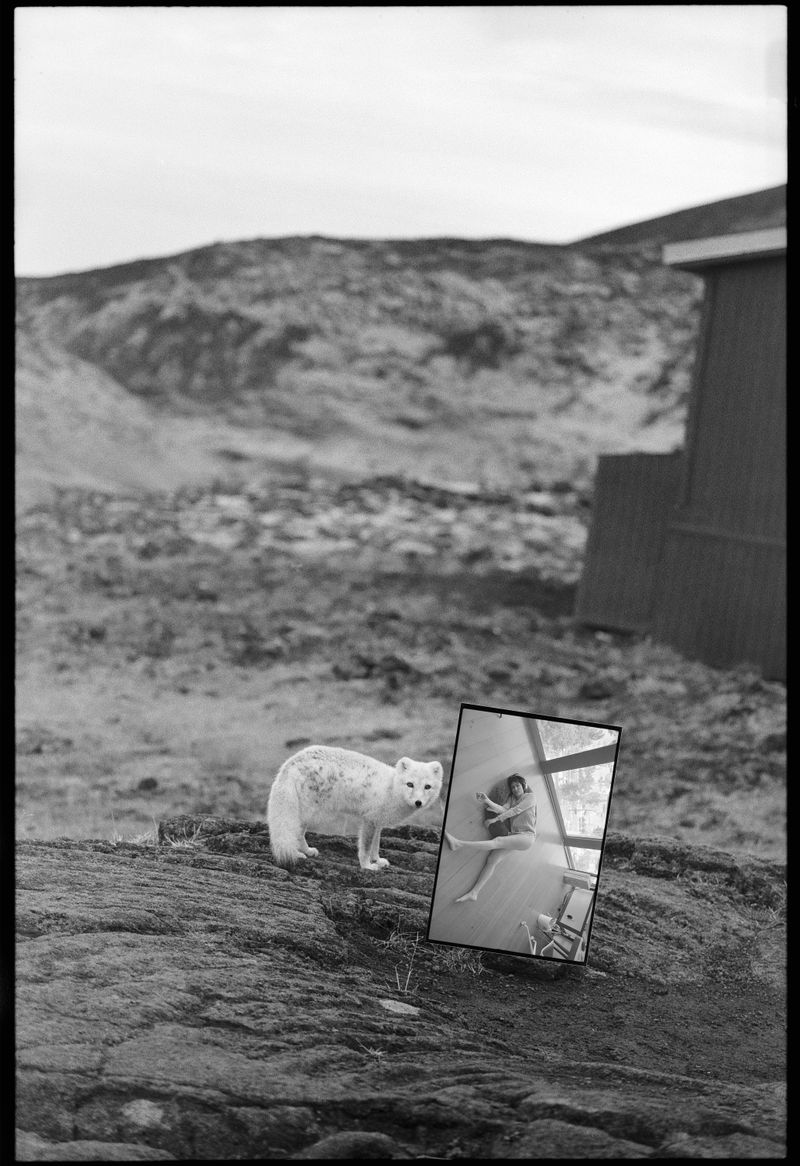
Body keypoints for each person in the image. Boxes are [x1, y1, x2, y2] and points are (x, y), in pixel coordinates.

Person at [444, 774, 537, 902]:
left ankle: (458, 843)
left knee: (497, 842)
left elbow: (516, 811)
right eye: (513, 787)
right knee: (493, 859)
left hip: (527, 837)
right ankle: (474, 893)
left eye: (518, 785)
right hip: (515, 836)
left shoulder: (530, 797)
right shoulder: (511, 798)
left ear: (523, 786)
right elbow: (502, 809)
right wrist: (487, 800)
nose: (515, 788)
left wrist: (494, 820)